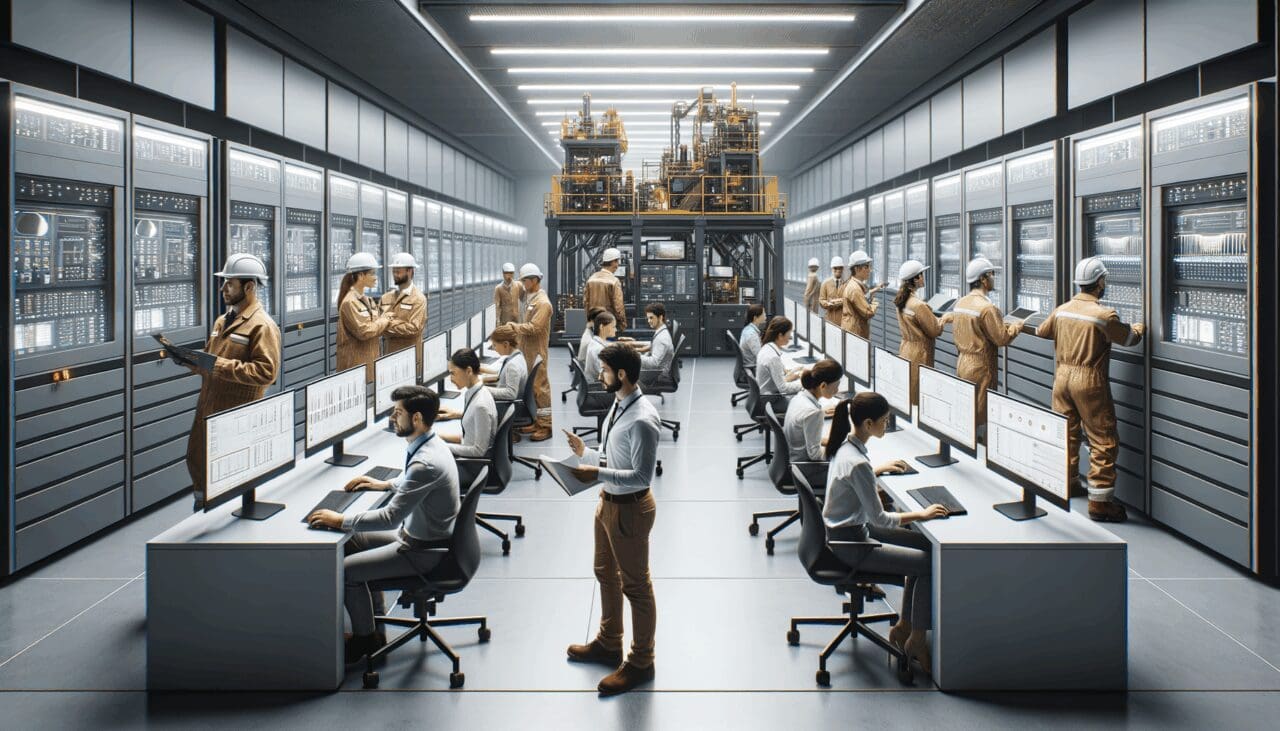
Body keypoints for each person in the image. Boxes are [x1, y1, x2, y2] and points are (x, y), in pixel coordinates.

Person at [306, 385, 460, 665]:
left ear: (415, 419)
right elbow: (412, 483)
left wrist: (341, 519)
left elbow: (390, 517)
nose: (392, 417)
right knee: (352, 542)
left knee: (346, 571)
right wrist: (385, 484)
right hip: (421, 537)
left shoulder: (425, 463)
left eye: (397, 412)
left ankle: (365, 640)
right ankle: (375, 622)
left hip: (421, 551)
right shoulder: (430, 444)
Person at [822, 392, 947, 674]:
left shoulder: (846, 448)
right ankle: (916, 638)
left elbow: (857, 482)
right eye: (884, 420)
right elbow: (881, 518)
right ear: (868, 424)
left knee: (924, 544)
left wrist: (876, 471)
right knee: (929, 564)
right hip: (852, 542)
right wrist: (922, 514)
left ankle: (903, 627)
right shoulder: (858, 463)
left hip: (848, 529)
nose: (886, 425)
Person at [563, 343, 661, 696]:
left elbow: (641, 477)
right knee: (605, 573)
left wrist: (597, 472)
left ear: (621, 375)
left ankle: (641, 662)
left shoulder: (643, 419)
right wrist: (586, 454)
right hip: (607, 502)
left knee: (635, 587)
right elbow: (612, 456)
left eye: (604, 371)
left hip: (630, 508)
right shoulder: (620, 405)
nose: (598, 376)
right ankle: (609, 642)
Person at [1035, 257, 1145, 523]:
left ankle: (1069, 483)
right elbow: (1129, 338)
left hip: (1062, 378)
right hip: (1089, 380)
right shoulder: (1103, 315)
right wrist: (1140, 327)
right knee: (1102, 438)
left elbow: (1041, 331)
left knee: (1067, 432)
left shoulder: (1062, 310)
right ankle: (1100, 504)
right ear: (1100, 282)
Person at [185, 253, 281, 506]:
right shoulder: (222, 321)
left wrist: (216, 365)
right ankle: (201, 515)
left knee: (229, 477)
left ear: (249, 287)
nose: (223, 288)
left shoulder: (262, 326)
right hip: (208, 408)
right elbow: (212, 362)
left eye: (230, 283)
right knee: (198, 463)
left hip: (235, 416)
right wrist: (194, 362)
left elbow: (266, 372)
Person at [952, 256, 1022, 427]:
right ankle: (981, 448)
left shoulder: (960, 303)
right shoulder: (987, 308)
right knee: (981, 414)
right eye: (991, 274)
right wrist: (1016, 327)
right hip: (981, 367)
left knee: (966, 410)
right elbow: (1001, 338)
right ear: (983, 279)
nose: (993, 278)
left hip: (962, 362)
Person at [497, 263, 553, 441]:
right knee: (534, 389)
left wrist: (514, 327)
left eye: (525, 280)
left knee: (541, 388)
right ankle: (537, 421)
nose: (522, 284)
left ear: (535, 280)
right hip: (528, 350)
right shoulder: (531, 298)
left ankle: (546, 426)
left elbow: (535, 327)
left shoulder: (543, 303)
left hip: (537, 351)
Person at [438, 348, 498, 488]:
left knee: (423, 472)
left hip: (473, 468)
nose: (451, 379)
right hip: (469, 460)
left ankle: (388, 486)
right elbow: (471, 435)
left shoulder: (480, 405)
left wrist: (445, 447)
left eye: (453, 373)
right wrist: (440, 437)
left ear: (469, 371)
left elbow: (478, 450)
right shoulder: (475, 392)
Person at [894, 260, 950, 405]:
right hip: (920, 353)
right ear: (916, 278)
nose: (923, 278)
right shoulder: (918, 305)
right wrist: (943, 319)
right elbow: (934, 330)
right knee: (918, 396)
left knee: (909, 391)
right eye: (922, 275)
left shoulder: (902, 300)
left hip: (906, 349)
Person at [337, 252, 393, 383]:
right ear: (361, 275)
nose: (375, 278)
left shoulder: (367, 300)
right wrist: (385, 320)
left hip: (370, 363)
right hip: (355, 367)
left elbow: (375, 321)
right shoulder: (349, 302)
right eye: (372, 273)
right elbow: (365, 331)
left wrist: (384, 318)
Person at [783, 358, 843, 462]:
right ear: (823, 386)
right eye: (836, 386)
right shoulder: (814, 412)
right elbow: (816, 455)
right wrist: (838, 449)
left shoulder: (800, 396)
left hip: (791, 456)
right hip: (804, 466)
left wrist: (834, 442)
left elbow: (809, 439)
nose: (837, 391)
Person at [380, 252, 427, 375]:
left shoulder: (418, 299)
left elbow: (414, 328)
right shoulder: (386, 298)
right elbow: (378, 325)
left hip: (410, 357)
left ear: (410, 271)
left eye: (398, 271)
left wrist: (387, 323)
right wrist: (394, 325)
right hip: (389, 355)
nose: (395, 274)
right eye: (394, 271)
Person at [756, 316, 805, 400]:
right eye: (789, 333)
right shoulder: (773, 357)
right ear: (780, 335)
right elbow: (783, 388)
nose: (790, 337)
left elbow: (778, 377)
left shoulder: (766, 347)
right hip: (772, 400)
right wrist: (805, 385)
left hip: (766, 394)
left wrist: (794, 372)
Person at [583, 247, 627, 332]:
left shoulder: (591, 279)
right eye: (617, 261)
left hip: (594, 325)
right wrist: (622, 324)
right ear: (614, 262)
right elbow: (618, 307)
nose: (618, 265)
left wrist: (590, 321)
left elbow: (586, 303)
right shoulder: (614, 281)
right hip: (609, 325)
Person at [841, 250, 883, 339]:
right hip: (855, 331)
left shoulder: (853, 284)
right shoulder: (855, 289)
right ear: (856, 269)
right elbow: (868, 313)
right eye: (866, 267)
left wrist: (873, 291)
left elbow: (861, 298)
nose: (869, 270)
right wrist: (874, 302)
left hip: (852, 329)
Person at [484, 327, 527, 403]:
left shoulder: (512, 365)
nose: (494, 349)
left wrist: (483, 389)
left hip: (505, 406)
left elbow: (511, 394)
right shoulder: (518, 355)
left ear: (506, 344)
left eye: (495, 345)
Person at [637, 302, 675, 375]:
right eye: (648, 318)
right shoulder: (662, 331)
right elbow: (654, 345)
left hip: (657, 376)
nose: (649, 321)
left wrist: (636, 356)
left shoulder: (662, 338)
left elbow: (654, 363)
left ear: (660, 317)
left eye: (651, 318)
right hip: (658, 372)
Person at [585, 310, 617, 382]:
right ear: (602, 326)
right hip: (597, 385)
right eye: (613, 326)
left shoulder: (595, 342)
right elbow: (605, 374)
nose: (615, 329)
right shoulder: (598, 349)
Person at [818, 256, 846, 326]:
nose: (838, 270)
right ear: (832, 269)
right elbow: (821, 299)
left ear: (843, 269)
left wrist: (843, 301)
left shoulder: (847, 283)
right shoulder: (825, 283)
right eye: (835, 268)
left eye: (840, 268)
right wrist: (827, 304)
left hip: (843, 320)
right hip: (830, 318)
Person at [738, 304, 766, 371]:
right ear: (755, 318)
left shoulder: (748, 329)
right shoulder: (751, 334)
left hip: (751, 365)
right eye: (763, 313)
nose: (765, 315)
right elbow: (760, 356)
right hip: (753, 367)